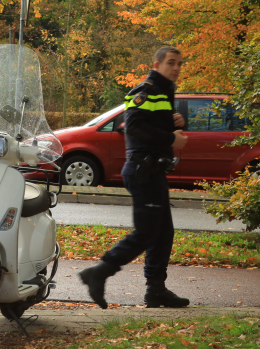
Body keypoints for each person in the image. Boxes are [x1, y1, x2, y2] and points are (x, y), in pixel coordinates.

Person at [78, 46, 190, 309]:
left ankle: (156, 290)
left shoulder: (163, 91)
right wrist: (170, 137)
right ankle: (99, 272)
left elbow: (151, 124)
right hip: (143, 172)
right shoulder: (146, 90)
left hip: (154, 170)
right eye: (171, 63)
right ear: (157, 64)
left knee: (163, 232)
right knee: (147, 232)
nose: (176, 68)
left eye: (179, 64)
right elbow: (135, 126)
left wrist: (174, 123)